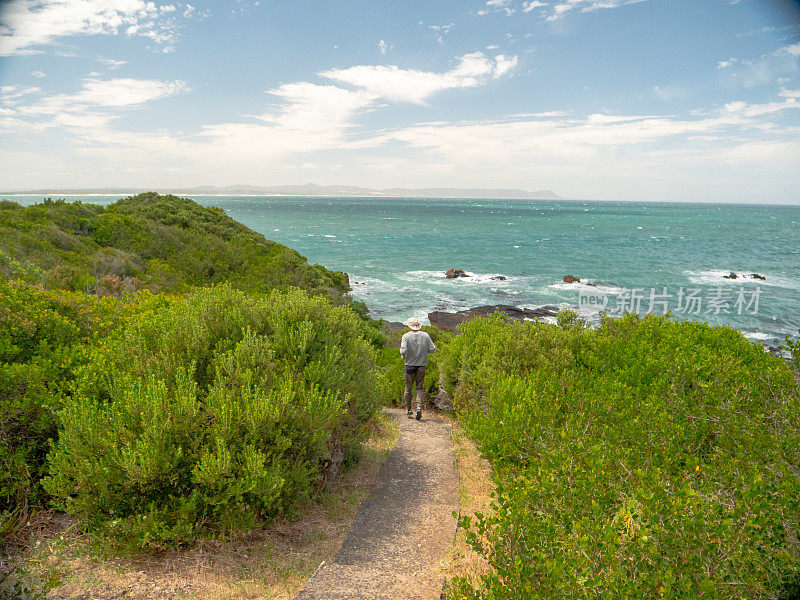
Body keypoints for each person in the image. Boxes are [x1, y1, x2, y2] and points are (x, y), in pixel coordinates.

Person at [400, 317, 436, 420]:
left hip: (409, 366)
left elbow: (403, 351)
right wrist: (424, 352)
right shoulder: (425, 335)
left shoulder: (406, 336)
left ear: (409, 326)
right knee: (419, 388)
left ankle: (408, 409)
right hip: (421, 366)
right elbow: (432, 349)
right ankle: (419, 407)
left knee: (408, 387)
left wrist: (404, 355)